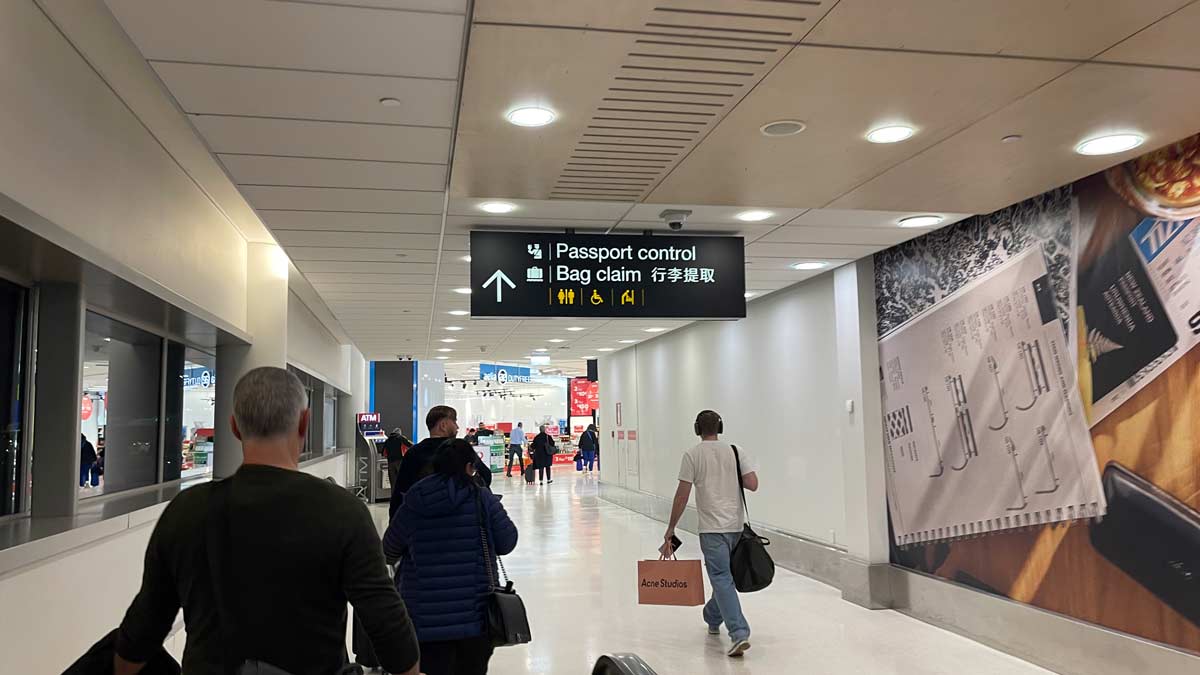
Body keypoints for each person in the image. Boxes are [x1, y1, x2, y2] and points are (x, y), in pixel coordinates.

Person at [113, 366, 420, 675]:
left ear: (234, 427)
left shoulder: (187, 509)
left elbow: (143, 627)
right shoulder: (342, 511)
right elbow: (386, 622)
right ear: (304, 423)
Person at [384, 440, 518, 675]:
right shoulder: (481, 498)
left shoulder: (415, 499)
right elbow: (508, 542)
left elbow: (388, 548)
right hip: (475, 618)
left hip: (424, 620)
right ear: (468, 467)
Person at [659, 410, 759, 658]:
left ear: (697, 429)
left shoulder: (692, 455)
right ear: (720, 427)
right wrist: (729, 473)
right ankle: (712, 616)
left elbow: (682, 495)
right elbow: (753, 483)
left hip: (712, 529)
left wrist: (671, 528)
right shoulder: (736, 451)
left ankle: (739, 634)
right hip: (736, 527)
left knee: (721, 577)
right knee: (725, 578)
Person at [390, 405, 490, 519]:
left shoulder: (414, 453)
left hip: (424, 521)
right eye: (454, 421)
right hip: (462, 518)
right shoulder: (461, 450)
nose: (457, 426)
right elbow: (486, 475)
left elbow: (400, 492)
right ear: (443, 425)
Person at [382, 427, 413, 493]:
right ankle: (402, 497)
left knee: (393, 482)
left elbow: (383, 452)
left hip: (390, 463)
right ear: (399, 433)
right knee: (402, 480)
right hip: (399, 461)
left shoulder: (387, 440)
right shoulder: (400, 438)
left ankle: (394, 499)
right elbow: (410, 444)